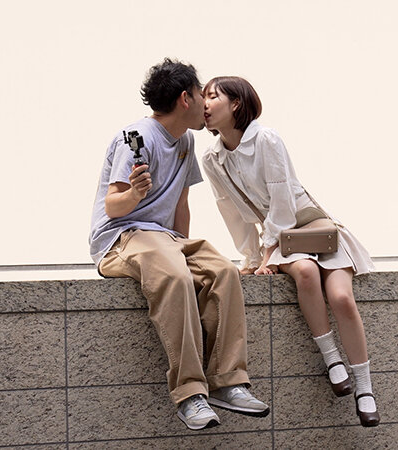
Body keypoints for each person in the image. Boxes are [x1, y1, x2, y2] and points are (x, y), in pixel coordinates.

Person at [89, 60, 269, 431]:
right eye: (203, 94)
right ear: (185, 99)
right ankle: (189, 394)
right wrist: (135, 193)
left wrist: (184, 248)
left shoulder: (186, 140)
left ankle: (228, 382)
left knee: (222, 271)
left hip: (164, 239)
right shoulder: (136, 138)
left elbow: (180, 204)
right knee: (174, 275)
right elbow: (113, 206)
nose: (206, 103)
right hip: (121, 237)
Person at [200, 76, 380, 427]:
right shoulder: (212, 159)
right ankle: (332, 360)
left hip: (309, 226)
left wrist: (268, 252)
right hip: (281, 239)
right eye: (203, 97)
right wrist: (252, 258)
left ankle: (365, 388)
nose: (204, 104)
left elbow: (282, 198)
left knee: (342, 297)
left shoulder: (266, 139)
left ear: (235, 103)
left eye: (212, 96)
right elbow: (231, 212)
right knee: (306, 274)